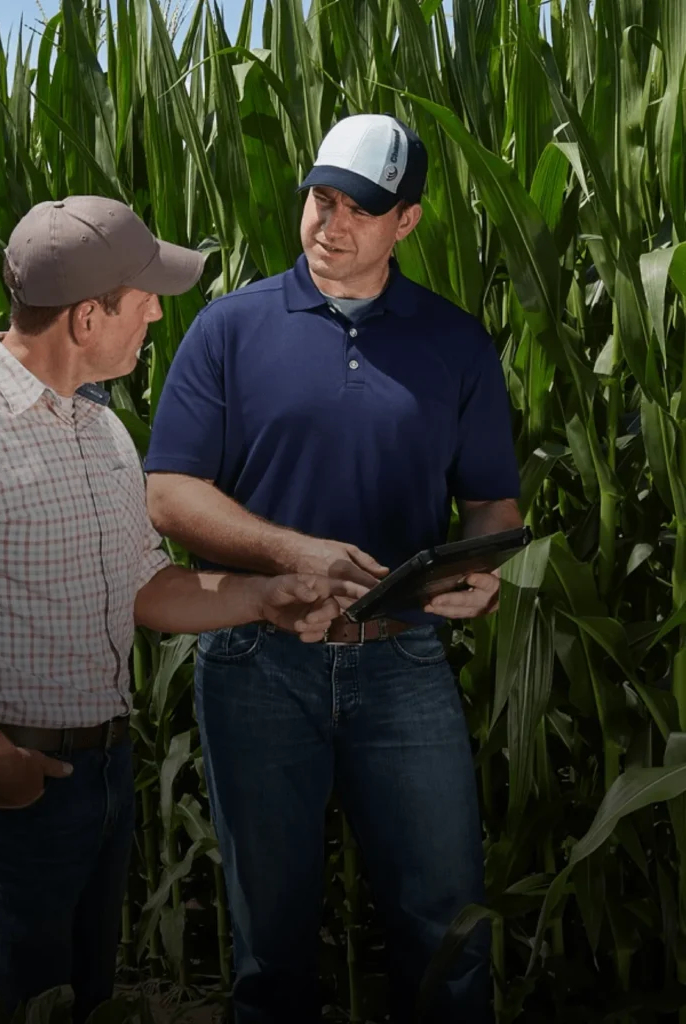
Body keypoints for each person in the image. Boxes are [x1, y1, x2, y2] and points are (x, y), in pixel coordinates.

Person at [0, 196, 364, 1024]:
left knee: (85, 1004)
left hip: (100, 785)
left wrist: (262, 599)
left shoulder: (101, 432)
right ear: (87, 316)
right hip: (3, 797)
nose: (157, 315)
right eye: (144, 300)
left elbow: (146, 586)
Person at [144, 114, 522, 1023]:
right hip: (255, 662)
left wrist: (484, 568)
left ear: (409, 223)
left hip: (405, 664)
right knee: (270, 944)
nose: (331, 223)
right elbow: (169, 495)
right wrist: (294, 551)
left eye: (362, 208)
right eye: (322, 198)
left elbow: (493, 505)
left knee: (447, 930)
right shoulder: (226, 331)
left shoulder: (455, 342)